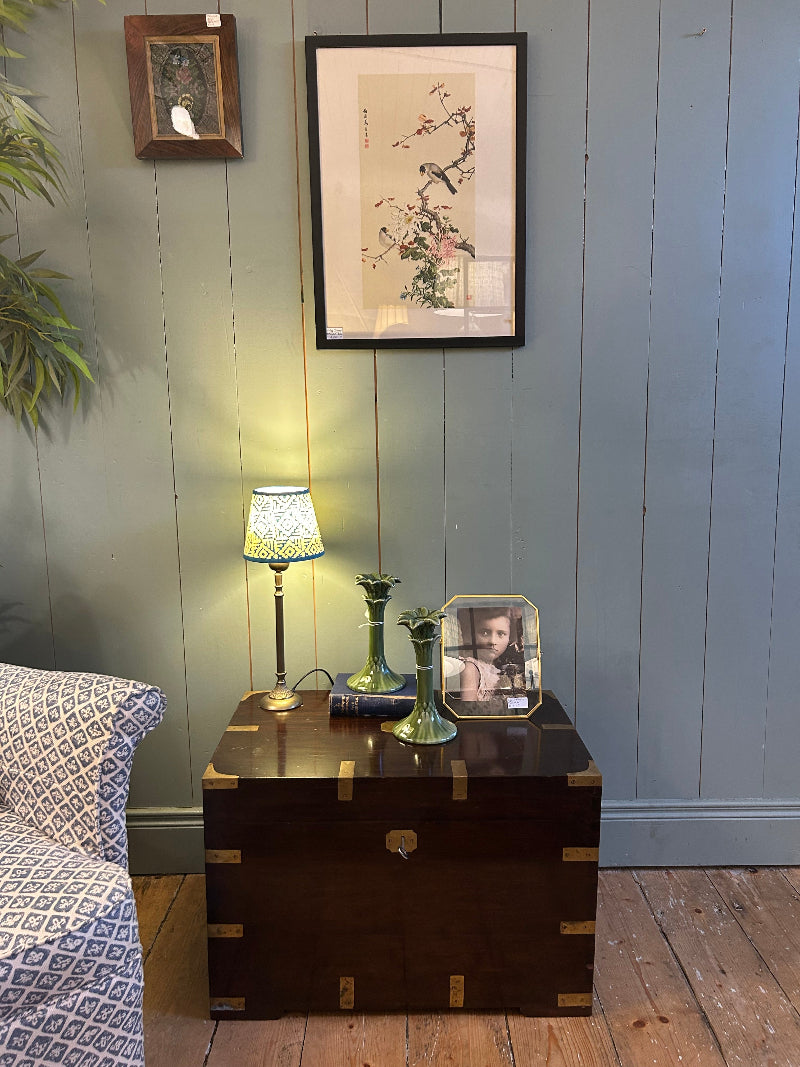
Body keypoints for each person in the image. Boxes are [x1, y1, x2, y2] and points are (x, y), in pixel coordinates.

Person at [456, 606, 525, 703]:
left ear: (509, 637)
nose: (493, 641)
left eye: (501, 634)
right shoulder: (471, 668)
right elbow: (468, 708)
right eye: (484, 633)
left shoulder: (498, 665)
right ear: (472, 635)